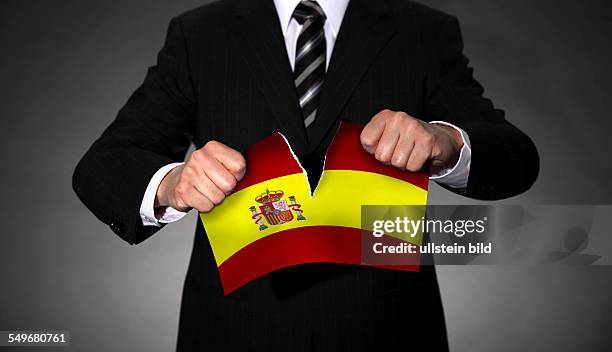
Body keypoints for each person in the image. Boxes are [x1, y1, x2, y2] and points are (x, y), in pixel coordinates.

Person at [73, 0, 539, 350]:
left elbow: (516, 156)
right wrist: (172, 185)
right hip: (234, 330)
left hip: (386, 328)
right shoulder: (201, 35)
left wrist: (445, 143)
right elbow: (105, 163)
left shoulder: (423, 32)